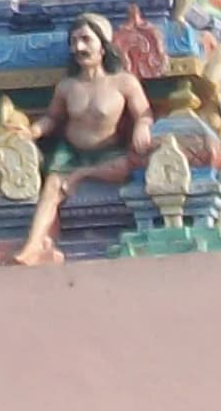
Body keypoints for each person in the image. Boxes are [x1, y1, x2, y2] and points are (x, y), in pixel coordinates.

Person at [13, 15, 155, 266]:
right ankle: (34, 243)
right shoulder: (67, 87)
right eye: (74, 41)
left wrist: (142, 126)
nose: (79, 47)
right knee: (52, 184)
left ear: (103, 45)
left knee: (127, 166)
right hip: (71, 153)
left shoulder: (123, 82)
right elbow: (53, 118)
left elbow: (144, 113)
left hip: (108, 153)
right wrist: (32, 131)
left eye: (86, 40)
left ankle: (81, 175)